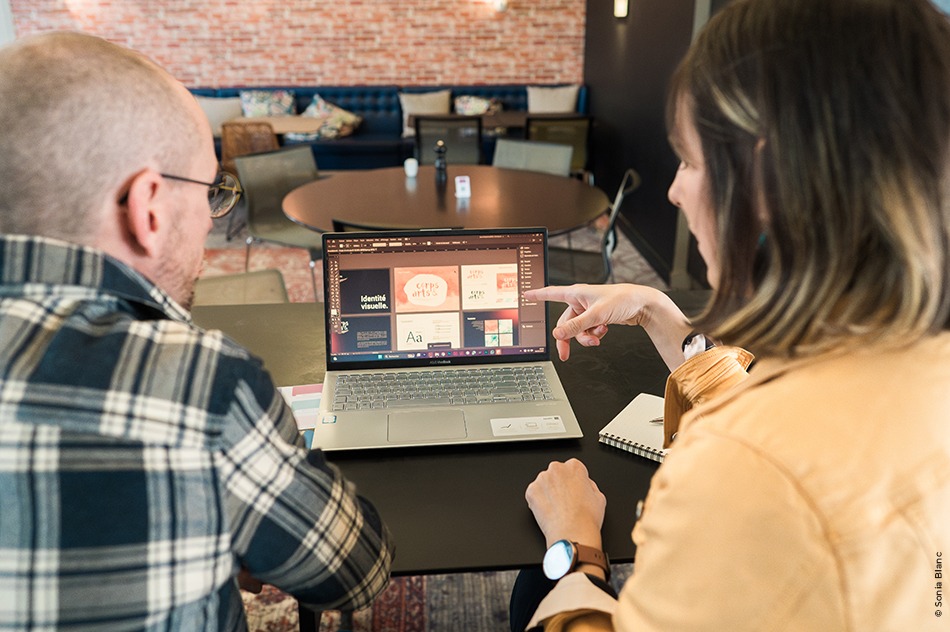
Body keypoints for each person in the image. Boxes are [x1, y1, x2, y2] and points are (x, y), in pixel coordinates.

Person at [512, 0, 950, 629]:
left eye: (689, 161)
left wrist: (577, 547)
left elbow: (768, 450)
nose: (674, 191)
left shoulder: (740, 473)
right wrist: (662, 314)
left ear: (769, 177)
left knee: (535, 587)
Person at [0, 32, 393, 630]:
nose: (213, 222)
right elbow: (355, 570)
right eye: (211, 192)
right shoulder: (197, 383)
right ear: (147, 208)